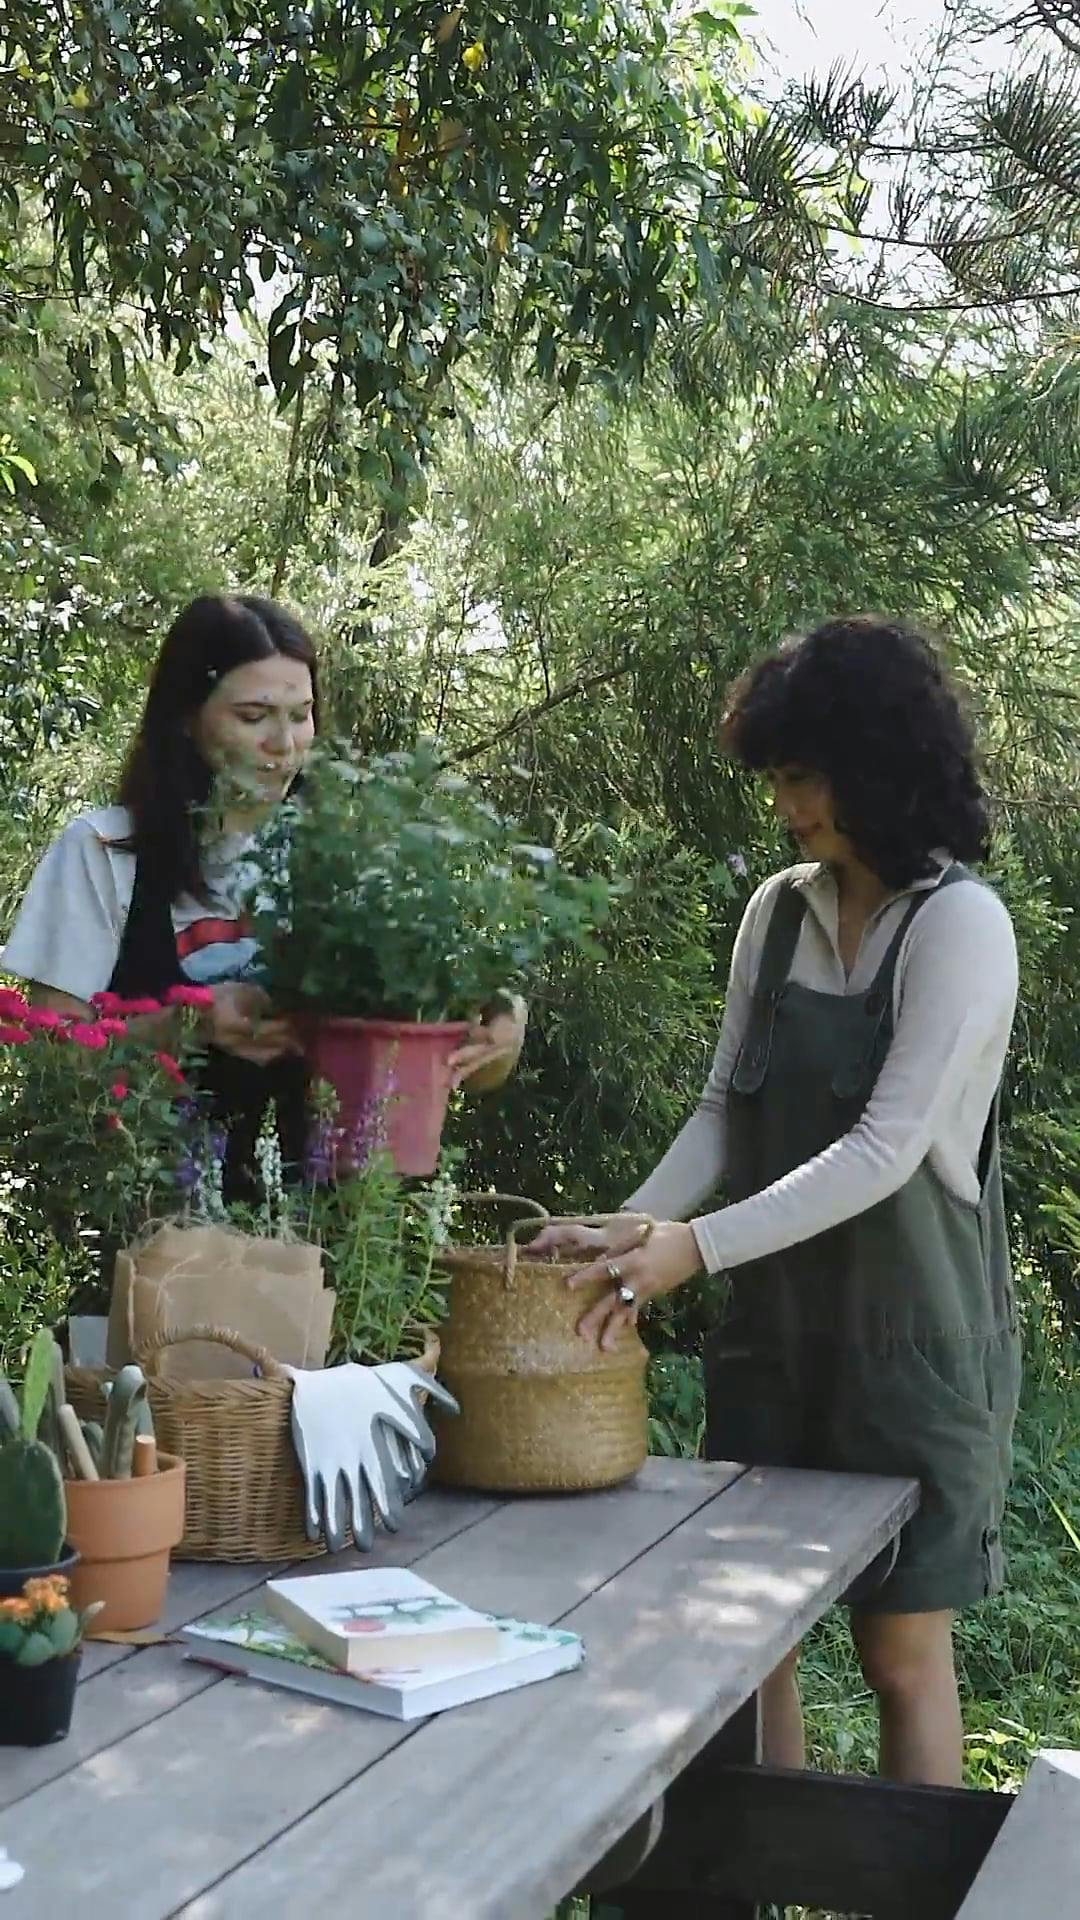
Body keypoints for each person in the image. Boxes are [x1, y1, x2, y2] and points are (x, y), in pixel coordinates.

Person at [532, 614, 1021, 1788]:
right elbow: (724, 1113)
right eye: (780, 780)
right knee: (752, 1647)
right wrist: (628, 1229)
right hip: (778, 1345)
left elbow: (886, 1149)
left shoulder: (961, 925)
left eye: (805, 777)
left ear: (878, 765)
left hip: (915, 1357)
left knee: (900, 1654)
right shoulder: (777, 912)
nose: (789, 805)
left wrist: (690, 1249)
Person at [3, 593, 526, 1196]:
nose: (285, 743)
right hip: (154, 1232)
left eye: (301, 714)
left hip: (334, 1242)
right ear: (184, 717)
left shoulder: (354, 857)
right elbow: (54, 1064)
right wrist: (184, 1026)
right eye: (254, 717)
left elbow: (446, 1059)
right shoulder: (104, 852)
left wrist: (500, 1031)